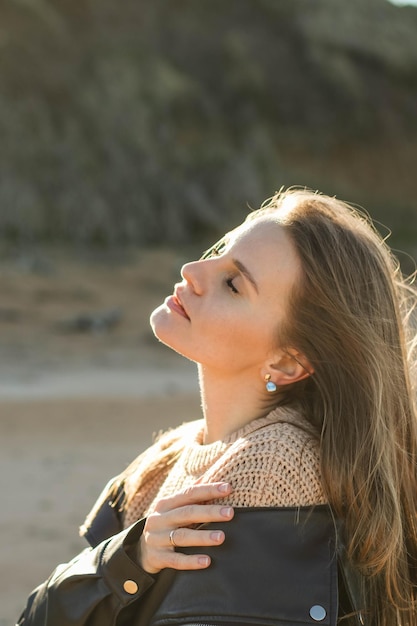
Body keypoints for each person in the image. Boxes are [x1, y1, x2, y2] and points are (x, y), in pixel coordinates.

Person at [17, 188, 417, 626]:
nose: (191, 270)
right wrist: (128, 557)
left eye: (233, 284)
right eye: (220, 249)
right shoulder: (167, 457)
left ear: (286, 361)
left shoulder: (273, 468)